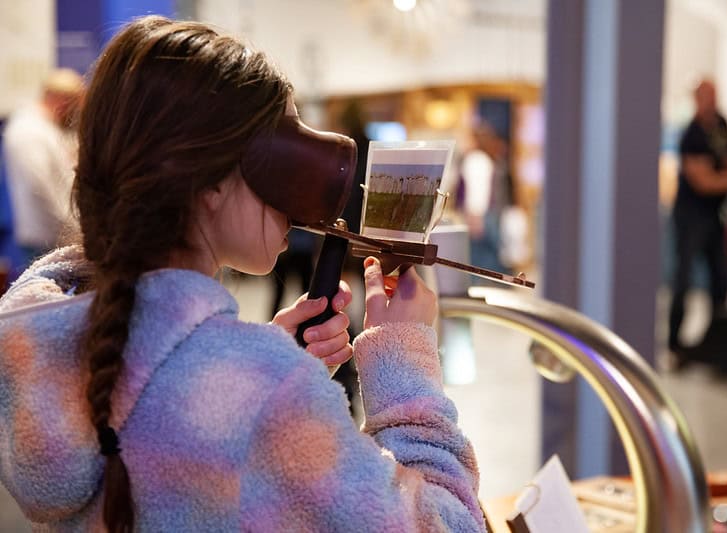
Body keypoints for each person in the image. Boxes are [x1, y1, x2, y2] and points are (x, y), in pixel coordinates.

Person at [0, 16, 483, 532]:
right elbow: (448, 525)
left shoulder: (41, 342)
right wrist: (402, 360)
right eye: (283, 144)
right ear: (209, 179)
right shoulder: (261, 394)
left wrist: (256, 360)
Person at [668, 79, 727, 360]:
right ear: (697, 99)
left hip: (715, 215)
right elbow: (702, 181)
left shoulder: (721, 126)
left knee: (721, 279)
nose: (710, 102)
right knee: (683, 281)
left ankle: (715, 343)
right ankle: (674, 345)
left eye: (713, 96)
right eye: (705, 97)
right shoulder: (691, 134)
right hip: (690, 216)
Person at [2, 68, 83, 265]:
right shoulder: (28, 130)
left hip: (55, 234)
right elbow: (39, 185)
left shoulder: (46, 128)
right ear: (64, 101)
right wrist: (71, 227)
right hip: (44, 237)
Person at [459, 122, 512, 274]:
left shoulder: (476, 159)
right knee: (489, 256)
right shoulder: (486, 159)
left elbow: (477, 190)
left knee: (480, 259)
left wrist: (475, 215)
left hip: (480, 215)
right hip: (489, 214)